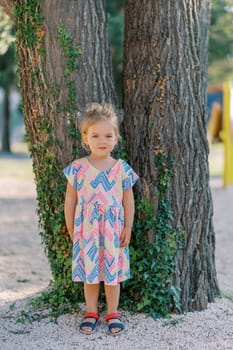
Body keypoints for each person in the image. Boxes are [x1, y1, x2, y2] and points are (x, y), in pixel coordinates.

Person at [63, 103, 138, 336]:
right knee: (91, 273)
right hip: (87, 230)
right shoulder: (77, 168)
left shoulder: (121, 169)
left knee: (112, 274)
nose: (102, 140)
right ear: (86, 138)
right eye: (95, 135)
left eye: (108, 135)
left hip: (113, 231)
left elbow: (128, 200)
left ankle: (113, 312)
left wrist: (128, 226)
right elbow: (70, 200)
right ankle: (91, 311)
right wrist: (71, 228)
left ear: (116, 137)